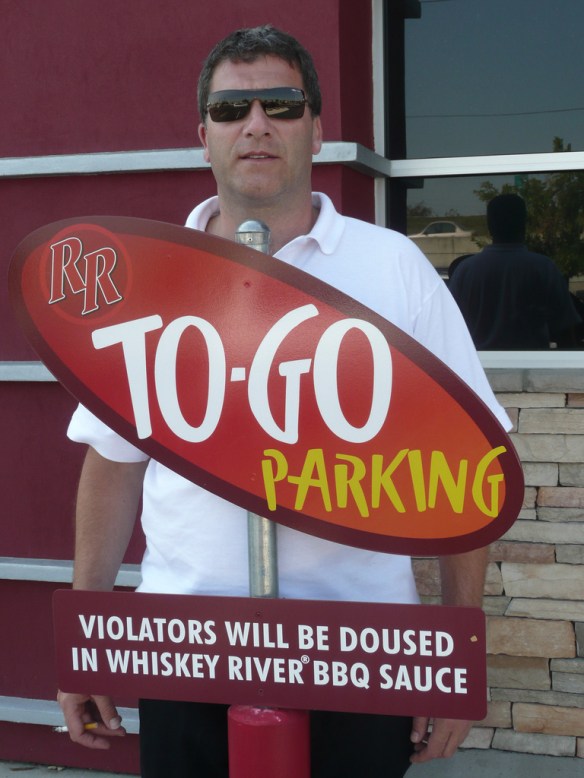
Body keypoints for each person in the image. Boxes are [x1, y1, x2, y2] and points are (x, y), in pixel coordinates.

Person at [58, 25, 512, 778]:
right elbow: (112, 466)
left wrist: (455, 657)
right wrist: (86, 641)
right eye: (231, 109)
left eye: (282, 104)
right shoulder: (149, 284)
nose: (256, 124)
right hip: (189, 648)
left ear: (317, 129)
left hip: (361, 653)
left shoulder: (393, 268)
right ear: (204, 137)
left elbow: (469, 468)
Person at [448, 193, 581, 349]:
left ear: (490, 226)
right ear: (523, 224)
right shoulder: (543, 268)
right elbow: (565, 330)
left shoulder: (465, 270)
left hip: (479, 361)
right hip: (531, 361)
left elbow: (449, 328)